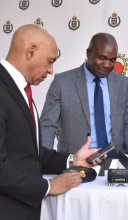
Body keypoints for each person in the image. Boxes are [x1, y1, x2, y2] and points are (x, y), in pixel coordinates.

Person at [0, 24, 103, 219]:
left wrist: (73, 160)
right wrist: (49, 186)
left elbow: (29, 153)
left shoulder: (19, 89)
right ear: (30, 52)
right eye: (49, 61)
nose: (51, 70)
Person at [40, 33, 128, 154]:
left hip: (114, 158)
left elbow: (127, 123)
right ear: (89, 53)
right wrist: (43, 159)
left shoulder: (123, 83)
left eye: (112, 60)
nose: (107, 65)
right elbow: (48, 126)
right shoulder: (62, 82)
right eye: (102, 58)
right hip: (75, 159)